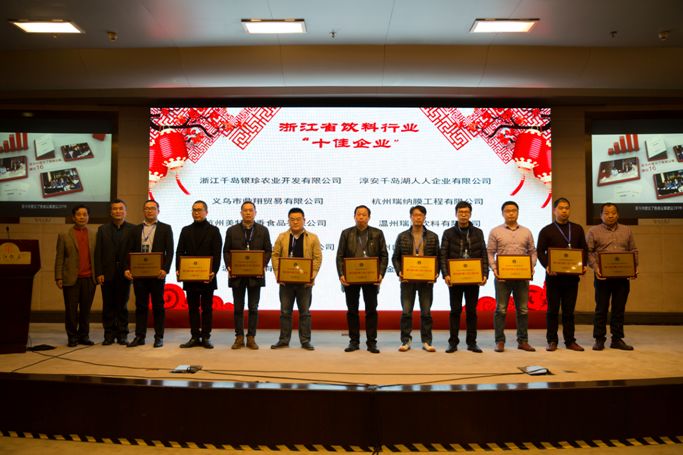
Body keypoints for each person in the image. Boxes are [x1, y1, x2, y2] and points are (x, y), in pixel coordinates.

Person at [537, 198, 588, 352]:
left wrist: (583, 265)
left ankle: (570, 341)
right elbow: (540, 251)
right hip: (553, 278)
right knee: (552, 311)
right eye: (560, 208)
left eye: (566, 208)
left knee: (569, 311)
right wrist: (547, 266)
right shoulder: (546, 230)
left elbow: (584, 249)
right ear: (554, 211)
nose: (564, 211)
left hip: (572, 278)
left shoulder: (577, 229)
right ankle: (552, 340)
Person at [336, 205, 388, 354]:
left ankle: (372, 342)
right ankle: (354, 341)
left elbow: (384, 255)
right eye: (358, 214)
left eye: (364, 215)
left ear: (369, 217)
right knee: (352, 310)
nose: (361, 217)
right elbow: (339, 255)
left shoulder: (377, 233)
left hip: (371, 278)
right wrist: (341, 274)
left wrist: (381, 274)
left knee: (371, 310)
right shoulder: (346, 233)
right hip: (351, 278)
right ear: (354, 216)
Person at [586, 203, 638, 351]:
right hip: (602, 277)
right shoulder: (593, 231)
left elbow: (633, 250)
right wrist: (596, 268)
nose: (610, 216)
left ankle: (617, 339)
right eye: (607, 213)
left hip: (622, 277)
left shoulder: (627, 230)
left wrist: (634, 268)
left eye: (613, 213)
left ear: (618, 214)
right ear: (601, 215)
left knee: (619, 308)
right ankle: (599, 339)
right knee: (601, 308)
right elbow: (588, 252)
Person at [487, 200, 538, 352]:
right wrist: (494, 269)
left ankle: (523, 341)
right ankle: (499, 341)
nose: (511, 213)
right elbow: (490, 252)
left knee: (523, 310)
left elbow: (532, 251)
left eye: (514, 210)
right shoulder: (495, 231)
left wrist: (531, 266)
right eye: (507, 211)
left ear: (518, 212)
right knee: (501, 310)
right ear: (502, 213)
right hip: (502, 278)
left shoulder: (526, 232)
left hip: (522, 278)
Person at [270, 208, 323, 351]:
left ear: (304, 220)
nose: (295, 222)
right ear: (288, 221)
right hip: (286, 282)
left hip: (305, 283)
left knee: (304, 313)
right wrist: (278, 273)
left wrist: (312, 275)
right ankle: (283, 340)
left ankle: (305, 341)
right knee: (285, 312)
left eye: (298, 219)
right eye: (292, 219)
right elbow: (275, 255)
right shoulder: (282, 237)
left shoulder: (313, 237)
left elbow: (317, 258)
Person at [124, 199, 174, 348]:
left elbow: (170, 251)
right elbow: (128, 251)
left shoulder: (165, 228)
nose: (149, 211)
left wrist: (165, 269)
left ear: (158, 211)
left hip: (157, 274)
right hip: (139, 274)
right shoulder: (135, 229)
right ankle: (140, 336)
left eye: (152, 208)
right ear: (143, 211)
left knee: (158, 306)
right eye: (146, 208)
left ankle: (159, 337)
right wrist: (127, 268)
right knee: (140, 306)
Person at [440, 200, 488, 353]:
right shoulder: (448, 233)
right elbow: (443, 255)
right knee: (455, 311)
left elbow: (484, 254)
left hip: (473, 278)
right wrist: (445, 274)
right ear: (456, 214)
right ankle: (453, 342)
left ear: (470, 214)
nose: (463, 215)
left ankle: (472, 342)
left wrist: (484, 274)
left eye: (466, 212)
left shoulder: (478, 232)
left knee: (471, 312)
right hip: (455, 279)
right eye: (460, 212)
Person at [223, 201, 272, 350]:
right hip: (237, 276)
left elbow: (268, 250)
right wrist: (229, 265)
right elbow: (226, 251)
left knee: (253, 308)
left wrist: (262, 265)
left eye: (251, 210)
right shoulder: (232, 230)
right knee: (238, 308)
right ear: (241, 213)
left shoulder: (263, 230)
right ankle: (239, 337)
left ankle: (251, 337)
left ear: (255, 212)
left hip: (255, 276)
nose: (248, 213)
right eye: (245, 210)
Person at [392, 205, 440, 352]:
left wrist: (435, 272)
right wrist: (400, 272)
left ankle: (426, 341)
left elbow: (438, 258)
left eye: (420, 215)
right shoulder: (402, 236)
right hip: (407, 280)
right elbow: (395, 258)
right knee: (406, 312)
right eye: (415, 215)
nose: (418, 218)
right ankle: (406, 340)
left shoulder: (433, 236)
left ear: (425, 217)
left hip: (426, 281)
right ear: (411, 217)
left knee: (426, 313)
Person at [175, 200, 222, 349]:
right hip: (190, 276)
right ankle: (195, 336)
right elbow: (179, 251)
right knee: (192, 308)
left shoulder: (214, 231)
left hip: (208, 277)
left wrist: (213, 272)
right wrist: (179, 269)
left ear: (206, 212)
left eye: (200, 210)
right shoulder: (185, 230)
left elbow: (217, 254)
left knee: (207, 308)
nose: (196, 212)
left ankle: (206, 337)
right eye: (194, 210)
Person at [54, 205, 98, 347]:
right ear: (73, 217)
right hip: (70, 279)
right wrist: (58, 277)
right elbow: (59, 258)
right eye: (79, 214)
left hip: (89, 279)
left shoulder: (94, 235)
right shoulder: (64, 235)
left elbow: (97, 257)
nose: (82, 217)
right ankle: (72, 337)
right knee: (71, 311)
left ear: (88, 217)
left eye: (85, 214)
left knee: (85, 311)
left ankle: (84, 336)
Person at [94, 199, 135, 345]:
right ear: (111, 212)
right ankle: (109, 334)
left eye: (120, 209)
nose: (118, 211)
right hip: (107, 273)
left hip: (125, 273)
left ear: (125, 211)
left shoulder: (133, 229)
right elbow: (98, 252)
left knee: (122, 305)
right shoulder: (102, 229)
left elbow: (134, 252)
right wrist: (99, 272)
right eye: (115, 209)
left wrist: (131, 269)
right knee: (108, 305)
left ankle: (122, 334)